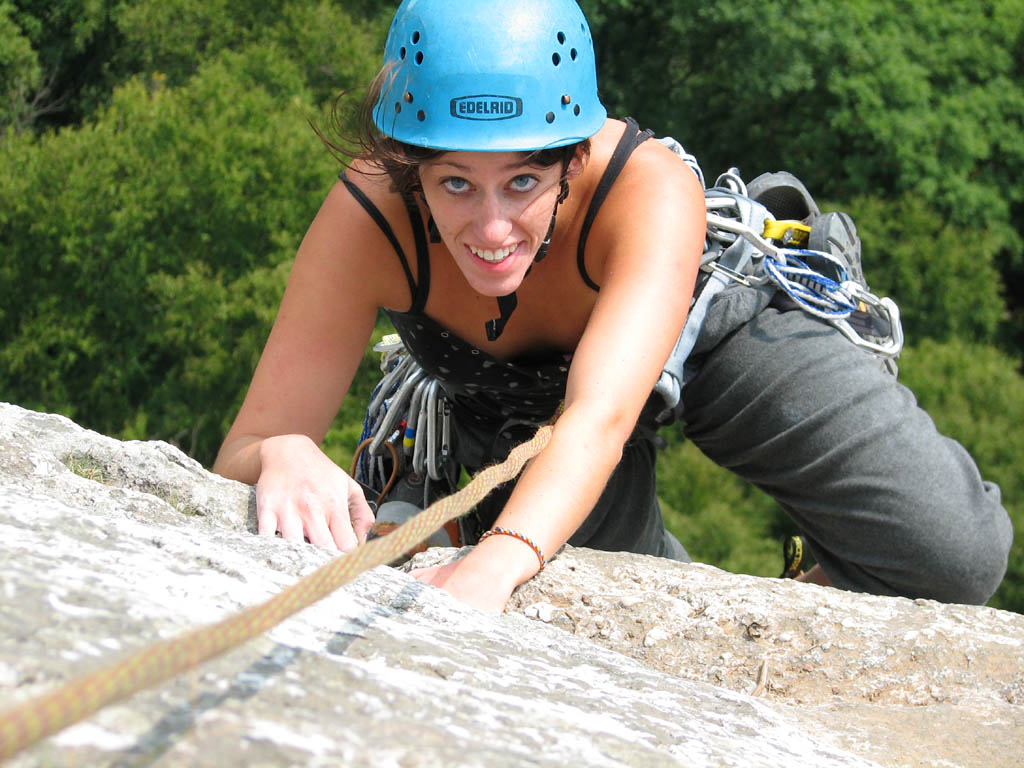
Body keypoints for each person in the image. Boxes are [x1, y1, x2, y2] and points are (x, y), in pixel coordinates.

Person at [213, 0, 1012, 613]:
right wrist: (284, 452)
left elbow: (598, 418)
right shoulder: (368, 216)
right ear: (406, 167)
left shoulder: (647, 186)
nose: (491, 229)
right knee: (599, 586)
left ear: (573, 155)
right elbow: (246, 444)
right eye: (455, 182)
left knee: (952, 554)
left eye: (523, 180)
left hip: (714, 326)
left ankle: (817, 585)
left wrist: (491, 566)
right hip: (519, 399)